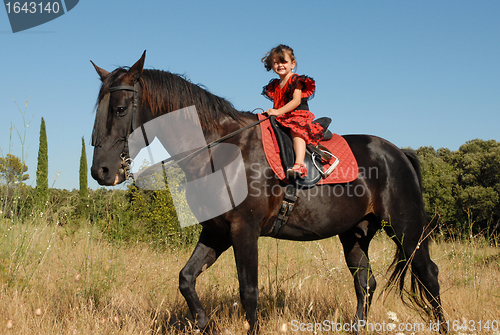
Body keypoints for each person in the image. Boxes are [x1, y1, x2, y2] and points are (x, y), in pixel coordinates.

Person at [261, 44, 323, 179]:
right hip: (283, 115)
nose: (280, 65)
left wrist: (277, 112)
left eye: (284, 62)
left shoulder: (296, 80)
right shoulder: (275, 85)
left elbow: (296, 101)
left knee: (296, 129)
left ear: (292, 64)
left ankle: (300, 163)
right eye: (276, 62)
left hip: (297, 114)